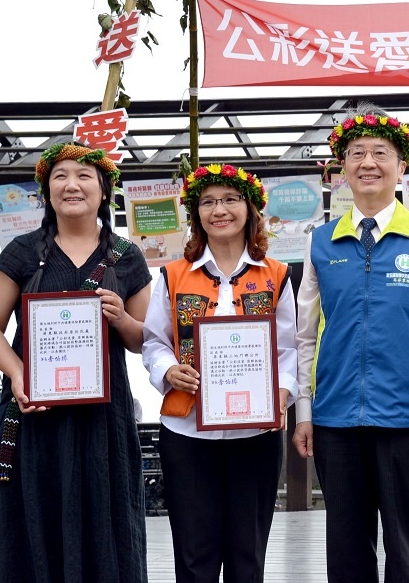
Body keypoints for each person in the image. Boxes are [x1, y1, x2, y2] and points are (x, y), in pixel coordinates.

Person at [292, 103, 409, 583]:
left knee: (406, 546)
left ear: (401, 166)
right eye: (356, 153)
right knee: (345, 548)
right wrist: (305, 414)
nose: (368, 162)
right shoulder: (320, 241)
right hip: (334, 419)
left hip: (407, 416)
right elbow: (305, 335)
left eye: (380, 153)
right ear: (341, 169)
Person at [0, 141, 152, 583]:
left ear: (105, 190)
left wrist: (122, 317)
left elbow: (144, 340)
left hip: (104, 422)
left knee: (108, 523)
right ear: (46, 191)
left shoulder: (127, 257)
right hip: (37, 416)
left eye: (84, 176)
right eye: (60, 176)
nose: (72, 185)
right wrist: (18, 375)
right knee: (36, 521)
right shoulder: (22, 252)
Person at [141, 163, 296, 583]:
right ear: (196, 214)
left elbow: (289, 351)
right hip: (188, 433)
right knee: (194, 558)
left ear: (250, 209)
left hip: (256, 435)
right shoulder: (173, 275)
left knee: (248, 557)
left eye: (229, 199)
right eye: (208, 202)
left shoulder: (277, 275)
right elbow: (153, 340)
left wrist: (281, 395)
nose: (219, 210)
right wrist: (168, 369)